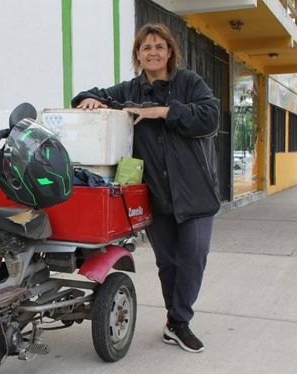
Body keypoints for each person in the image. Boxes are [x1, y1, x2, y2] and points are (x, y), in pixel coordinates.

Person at [72, 23, 220, 353]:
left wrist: (160, 111)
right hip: (156, 196)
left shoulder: (188, 83)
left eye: (159, 46)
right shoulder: (129, 91)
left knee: (193, 257)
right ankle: (175, 322)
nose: (152, 52)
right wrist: (91, 100)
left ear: (170, 52)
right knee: (168, 262)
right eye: (145, 47)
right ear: (137, 55)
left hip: (195, 193)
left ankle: (180, 319)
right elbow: (88, 94)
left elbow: (210, 117)